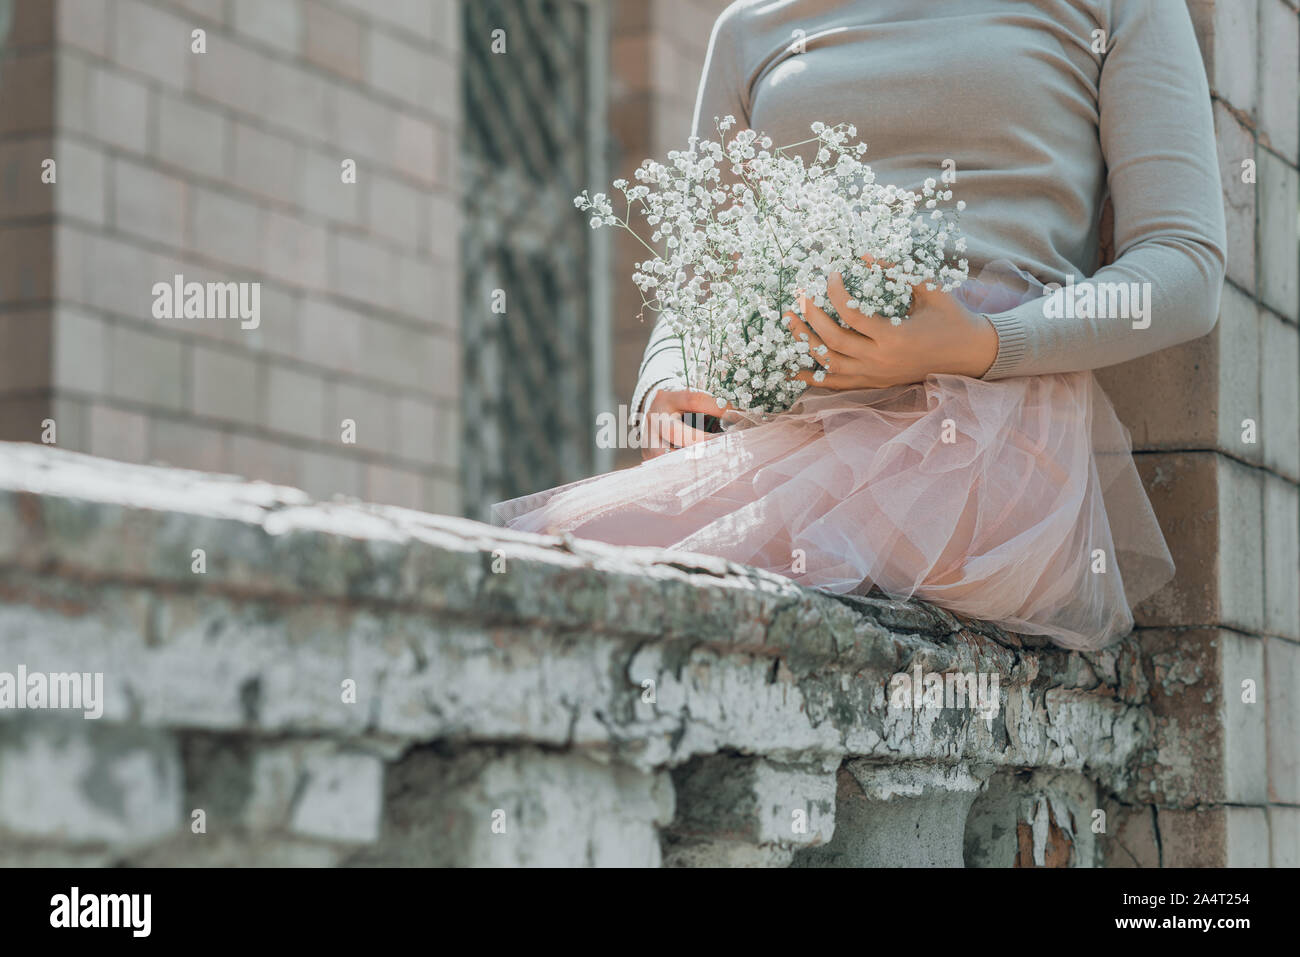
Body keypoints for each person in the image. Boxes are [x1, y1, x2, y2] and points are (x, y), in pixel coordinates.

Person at [496, 0, 1227, 651]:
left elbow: (1185, 266)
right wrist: (667, 376)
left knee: (564, 570)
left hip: (984, 439)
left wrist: (985, 344)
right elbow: (700, 277)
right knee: (538, 557)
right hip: (787, 437)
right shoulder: (751, 24)